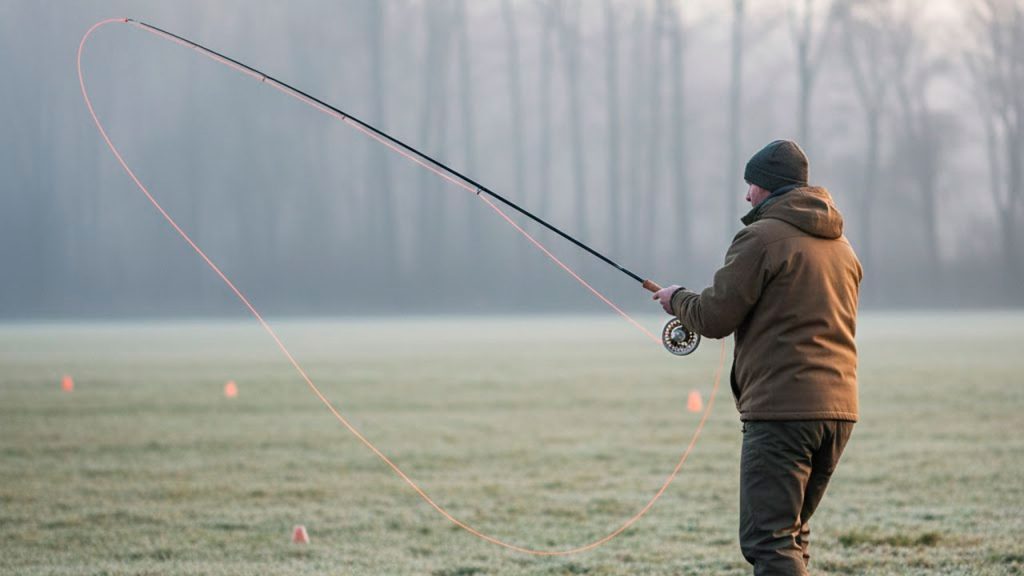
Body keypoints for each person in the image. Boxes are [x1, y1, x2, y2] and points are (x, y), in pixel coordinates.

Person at [652, 140, 863, 575]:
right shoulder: (843, 249)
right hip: (839, 412)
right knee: (791, 535)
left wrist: (677, 300)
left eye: (751, 184)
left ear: (768, 187)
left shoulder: (761, 238)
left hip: (781, 412)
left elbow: (713, 317)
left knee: (768, 541)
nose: (747, 194)